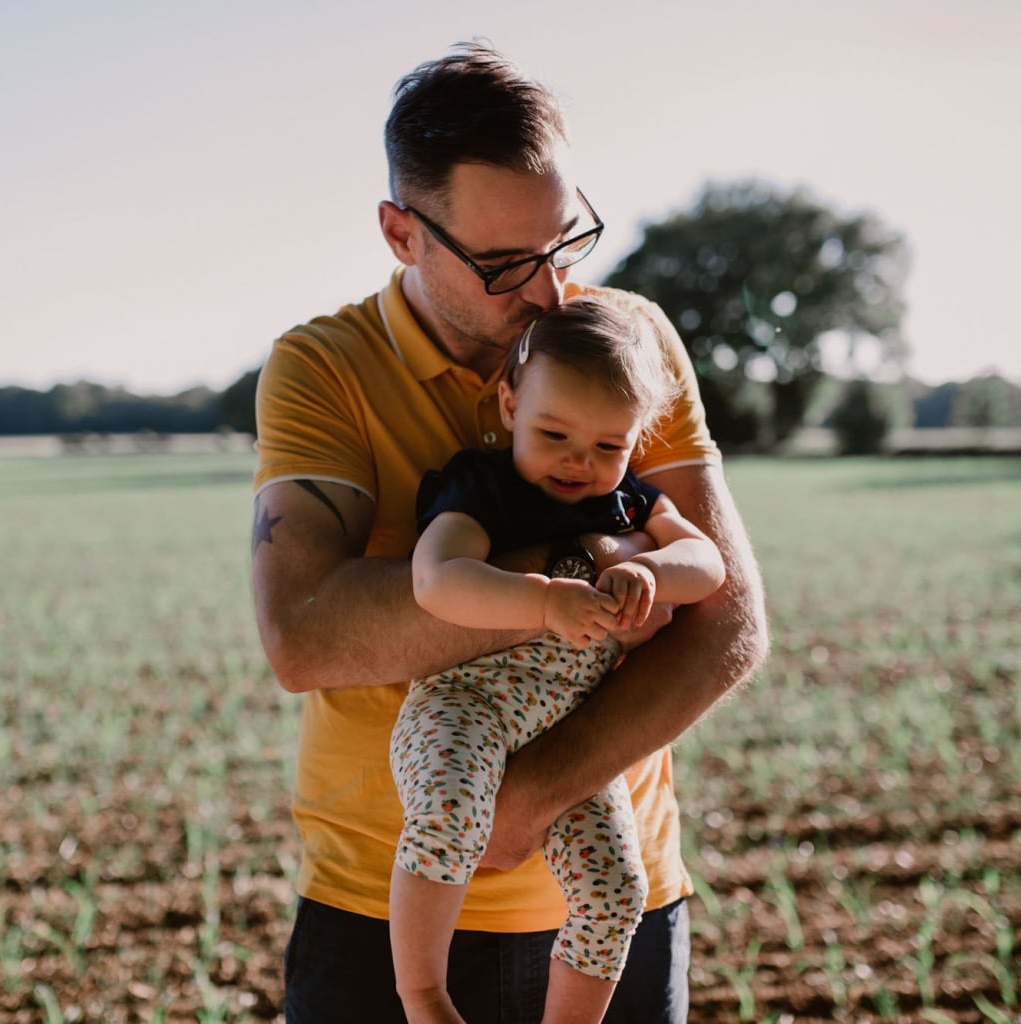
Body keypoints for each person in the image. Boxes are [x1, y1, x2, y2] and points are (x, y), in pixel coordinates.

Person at [251, 42, 769, 1024]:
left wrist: (533, 793)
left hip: (618, 904)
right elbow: (305, 633)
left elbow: (728, 621)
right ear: (402, 233)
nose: (550, 294)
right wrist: (582, 573)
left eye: (565, 242)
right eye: (502, 264)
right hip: (378, 905)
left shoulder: (628, 341)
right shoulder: (323, 369)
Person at [389, 295, 727, 1024]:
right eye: (555, 433)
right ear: (510, 405)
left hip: (571, 730)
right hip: (465, 706)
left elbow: (707, 563)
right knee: (446, 816)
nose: (580, 461)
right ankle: (423, 995)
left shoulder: (628, 505)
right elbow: (436, 580)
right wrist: (546, 602)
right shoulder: (480, 486)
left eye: (610, 446)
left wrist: (653, 572)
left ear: (638, 439)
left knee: (615, 889)